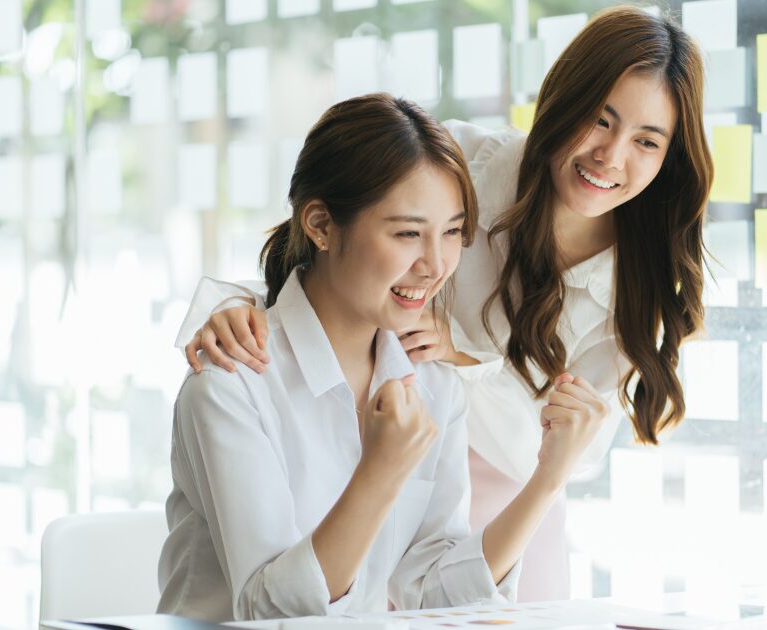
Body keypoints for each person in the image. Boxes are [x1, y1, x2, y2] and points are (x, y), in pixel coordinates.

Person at [171, 5, 712, 601]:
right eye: (600, 120)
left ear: (669, 159)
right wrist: (234, 312)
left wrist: (469, 382)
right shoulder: (459, 163)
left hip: (499, 485)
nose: (611, 156)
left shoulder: (624, 291)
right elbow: (329, 237)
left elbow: (442, 576)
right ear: (565, 98)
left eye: (646, 141)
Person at [157, 93, 611, 622]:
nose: (437, 264)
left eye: (451, 232)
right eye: (407, 234)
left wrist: (549, 477)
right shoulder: (232, 382)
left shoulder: (432, 382)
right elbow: (268, 612)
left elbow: (436, 595)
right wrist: (380, 471)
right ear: (321, 226)